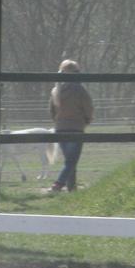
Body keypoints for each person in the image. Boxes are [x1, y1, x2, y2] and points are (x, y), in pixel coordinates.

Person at [49, 59, 93, 193]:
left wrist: (58, 122)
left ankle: (72, 188)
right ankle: (58, 184)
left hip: (60, 128)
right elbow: (88, 107)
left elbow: (52, 111)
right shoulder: (80, 89)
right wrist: (87, 120)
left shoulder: (56, 90)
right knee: (71, 161)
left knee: (70, 160)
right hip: (76, 127)